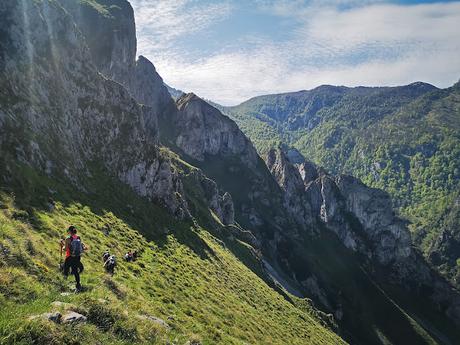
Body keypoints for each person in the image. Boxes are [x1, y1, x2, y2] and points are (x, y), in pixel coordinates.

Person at [61, 226, 85, 292]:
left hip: (69, 256)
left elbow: (65, 249)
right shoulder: (78, 237)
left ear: (69, 231)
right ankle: (78, 284)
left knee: (66, 269)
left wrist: (62, 246)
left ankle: (63, 283)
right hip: (77, 256)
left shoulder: (68, 239)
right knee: (75, 270)